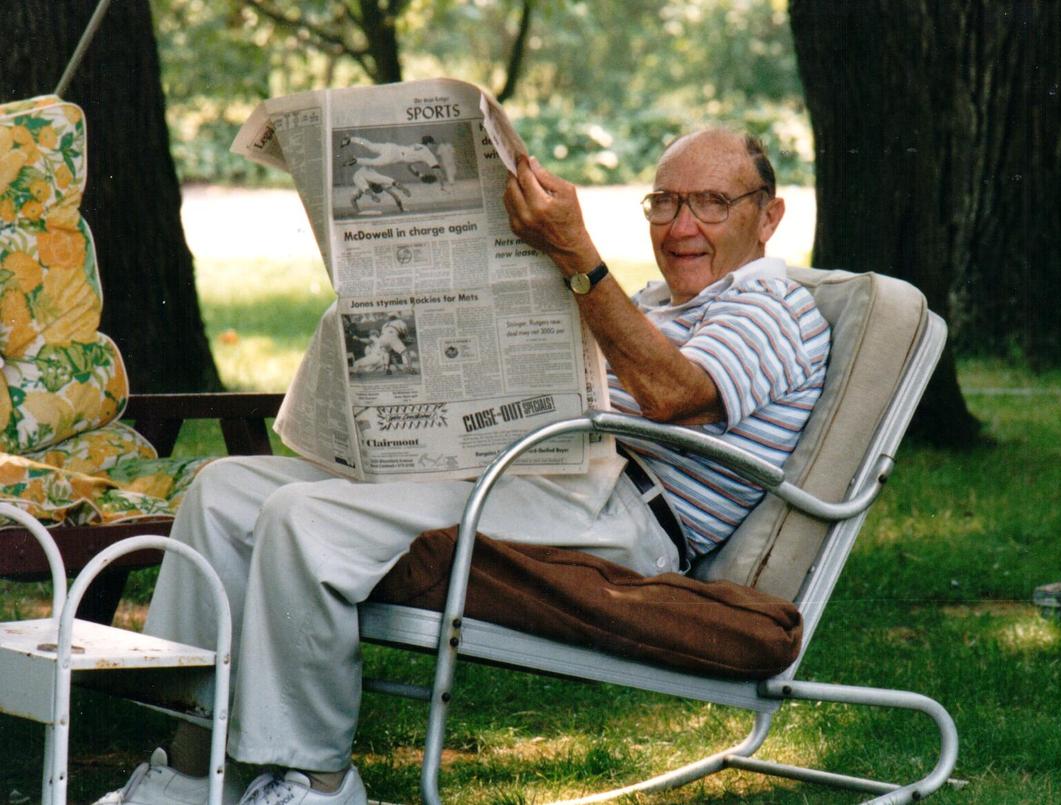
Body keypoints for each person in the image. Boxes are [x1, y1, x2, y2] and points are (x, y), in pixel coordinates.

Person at [96, 128, 830, 804]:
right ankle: (189, 770)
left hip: (625, 512)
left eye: (710, 203)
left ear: (768, 217)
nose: (681, 227)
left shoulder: (770, 305)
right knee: (223, 491)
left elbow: (675, 396)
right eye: (665, 201)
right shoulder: (653, 303)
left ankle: (316, 779)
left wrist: (578, 257)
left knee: (304, 518)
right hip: (538, 474)